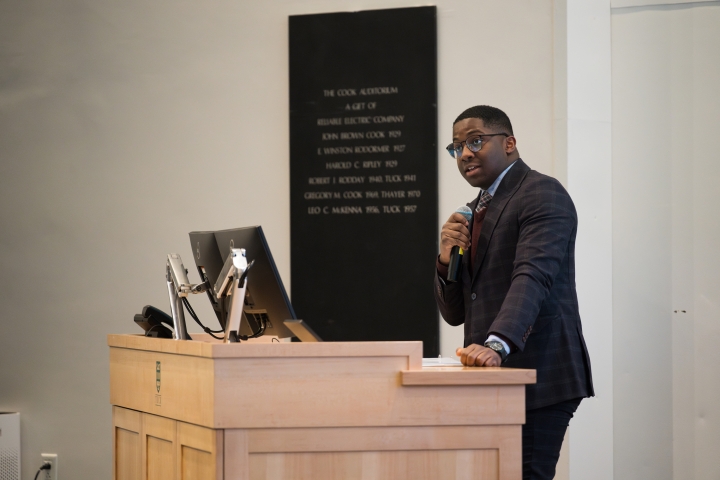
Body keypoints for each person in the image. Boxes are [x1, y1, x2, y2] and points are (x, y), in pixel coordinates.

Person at [434, 105, 594, 480]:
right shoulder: (473, 212)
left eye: (475, 141)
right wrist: (445, 263)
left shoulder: (541, 193)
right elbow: (457, 312)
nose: (465, 153)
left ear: (509, 143)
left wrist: (496, 345)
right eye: (457, 147)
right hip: (492, 378)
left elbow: (532, 276)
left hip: (540, 372)